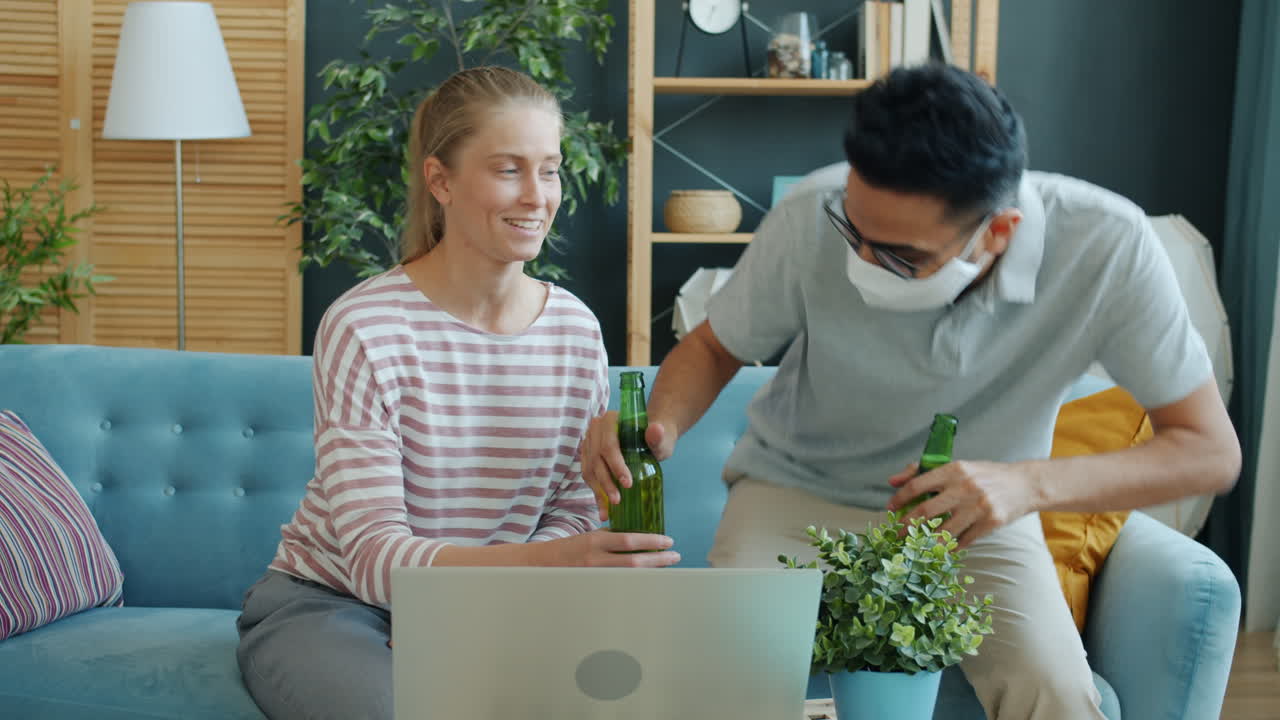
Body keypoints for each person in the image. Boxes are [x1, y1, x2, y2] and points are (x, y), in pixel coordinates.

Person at [581, 63, 1240, 719]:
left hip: (973, 519)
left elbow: (1209, 451)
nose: (864, 265)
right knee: (723, 691)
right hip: (794, 493)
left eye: (899, 256)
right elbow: (715, 346)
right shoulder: (813, 208)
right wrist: (656, 425)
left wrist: (1027, 486)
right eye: (853, 233)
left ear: (998, 232)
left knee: (1058, 695)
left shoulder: (1108, 247)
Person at [236, 66, 680, 720]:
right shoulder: (366, 327)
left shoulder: (575, 330)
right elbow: (375, 560)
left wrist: (504, 604)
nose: (538, 196)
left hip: (499, 607)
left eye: (550, 170)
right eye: (509, 169)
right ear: (440, 180)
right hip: (334, 605)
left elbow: (571, 502)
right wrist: (555, 565)